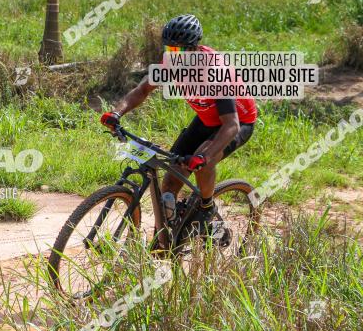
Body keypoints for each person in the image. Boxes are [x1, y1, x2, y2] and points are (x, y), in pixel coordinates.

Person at [100, 14, 257, 234]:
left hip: (237, 122)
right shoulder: (169, 63)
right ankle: (170, 234)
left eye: (180, 51)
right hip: (206, 119)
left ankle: (206, 207)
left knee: (204, 160)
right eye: (170, 50)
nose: (175, 57)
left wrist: (203, 157)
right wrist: (116, 113)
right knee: (170, 181)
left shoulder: (216, 72)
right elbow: (142, 90)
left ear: (194, 49)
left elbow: (231, 125)